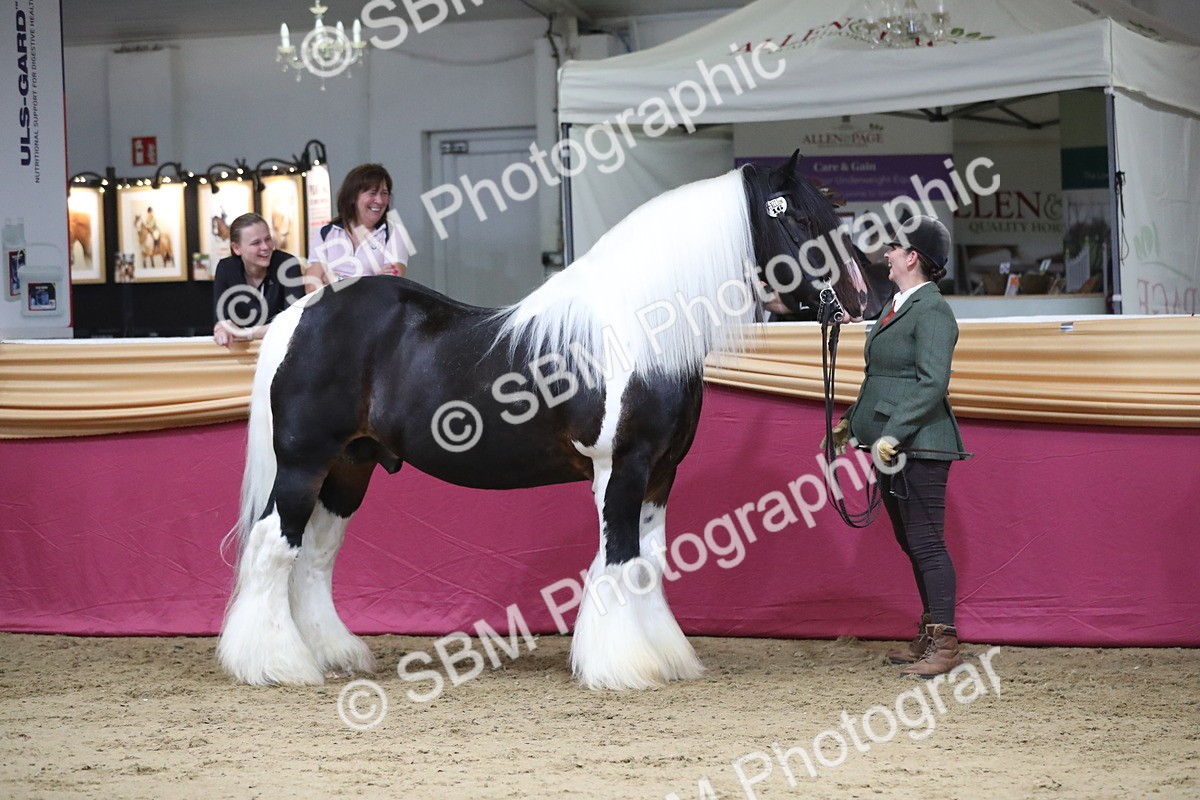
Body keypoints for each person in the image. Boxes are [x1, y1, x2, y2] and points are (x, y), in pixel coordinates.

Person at [827, 215, 968, 678]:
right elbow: (882, 377)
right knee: (911, 541)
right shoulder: (898, 304)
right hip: (893, 445)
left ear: (912, 257)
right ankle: (931, 631)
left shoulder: (932, 311)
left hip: (921, 444)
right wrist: (852, 422)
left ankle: (946, 643)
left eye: (894, 247)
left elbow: (931, 385)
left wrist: (891, 434)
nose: (885, 254)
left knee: (927, 542)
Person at [305, 163, 409, 292]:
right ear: (353, 197)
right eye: (372, 193)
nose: (380, 200)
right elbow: (311, 288)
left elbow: (389, 288)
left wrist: (336, 280)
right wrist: (372, 279)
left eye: (384, 193)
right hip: (333, 311)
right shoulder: (325, 233)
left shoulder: (394, 233)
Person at [212, 213, 304, 347]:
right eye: (256, 243)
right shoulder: (226, 268)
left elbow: (292, 323)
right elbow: (221, 320)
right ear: (236, 248)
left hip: (280, 349)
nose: (266, 247)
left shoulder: (287, 264)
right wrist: (221, 329)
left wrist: (244, 333)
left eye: (268, 239)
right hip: (240, 352)